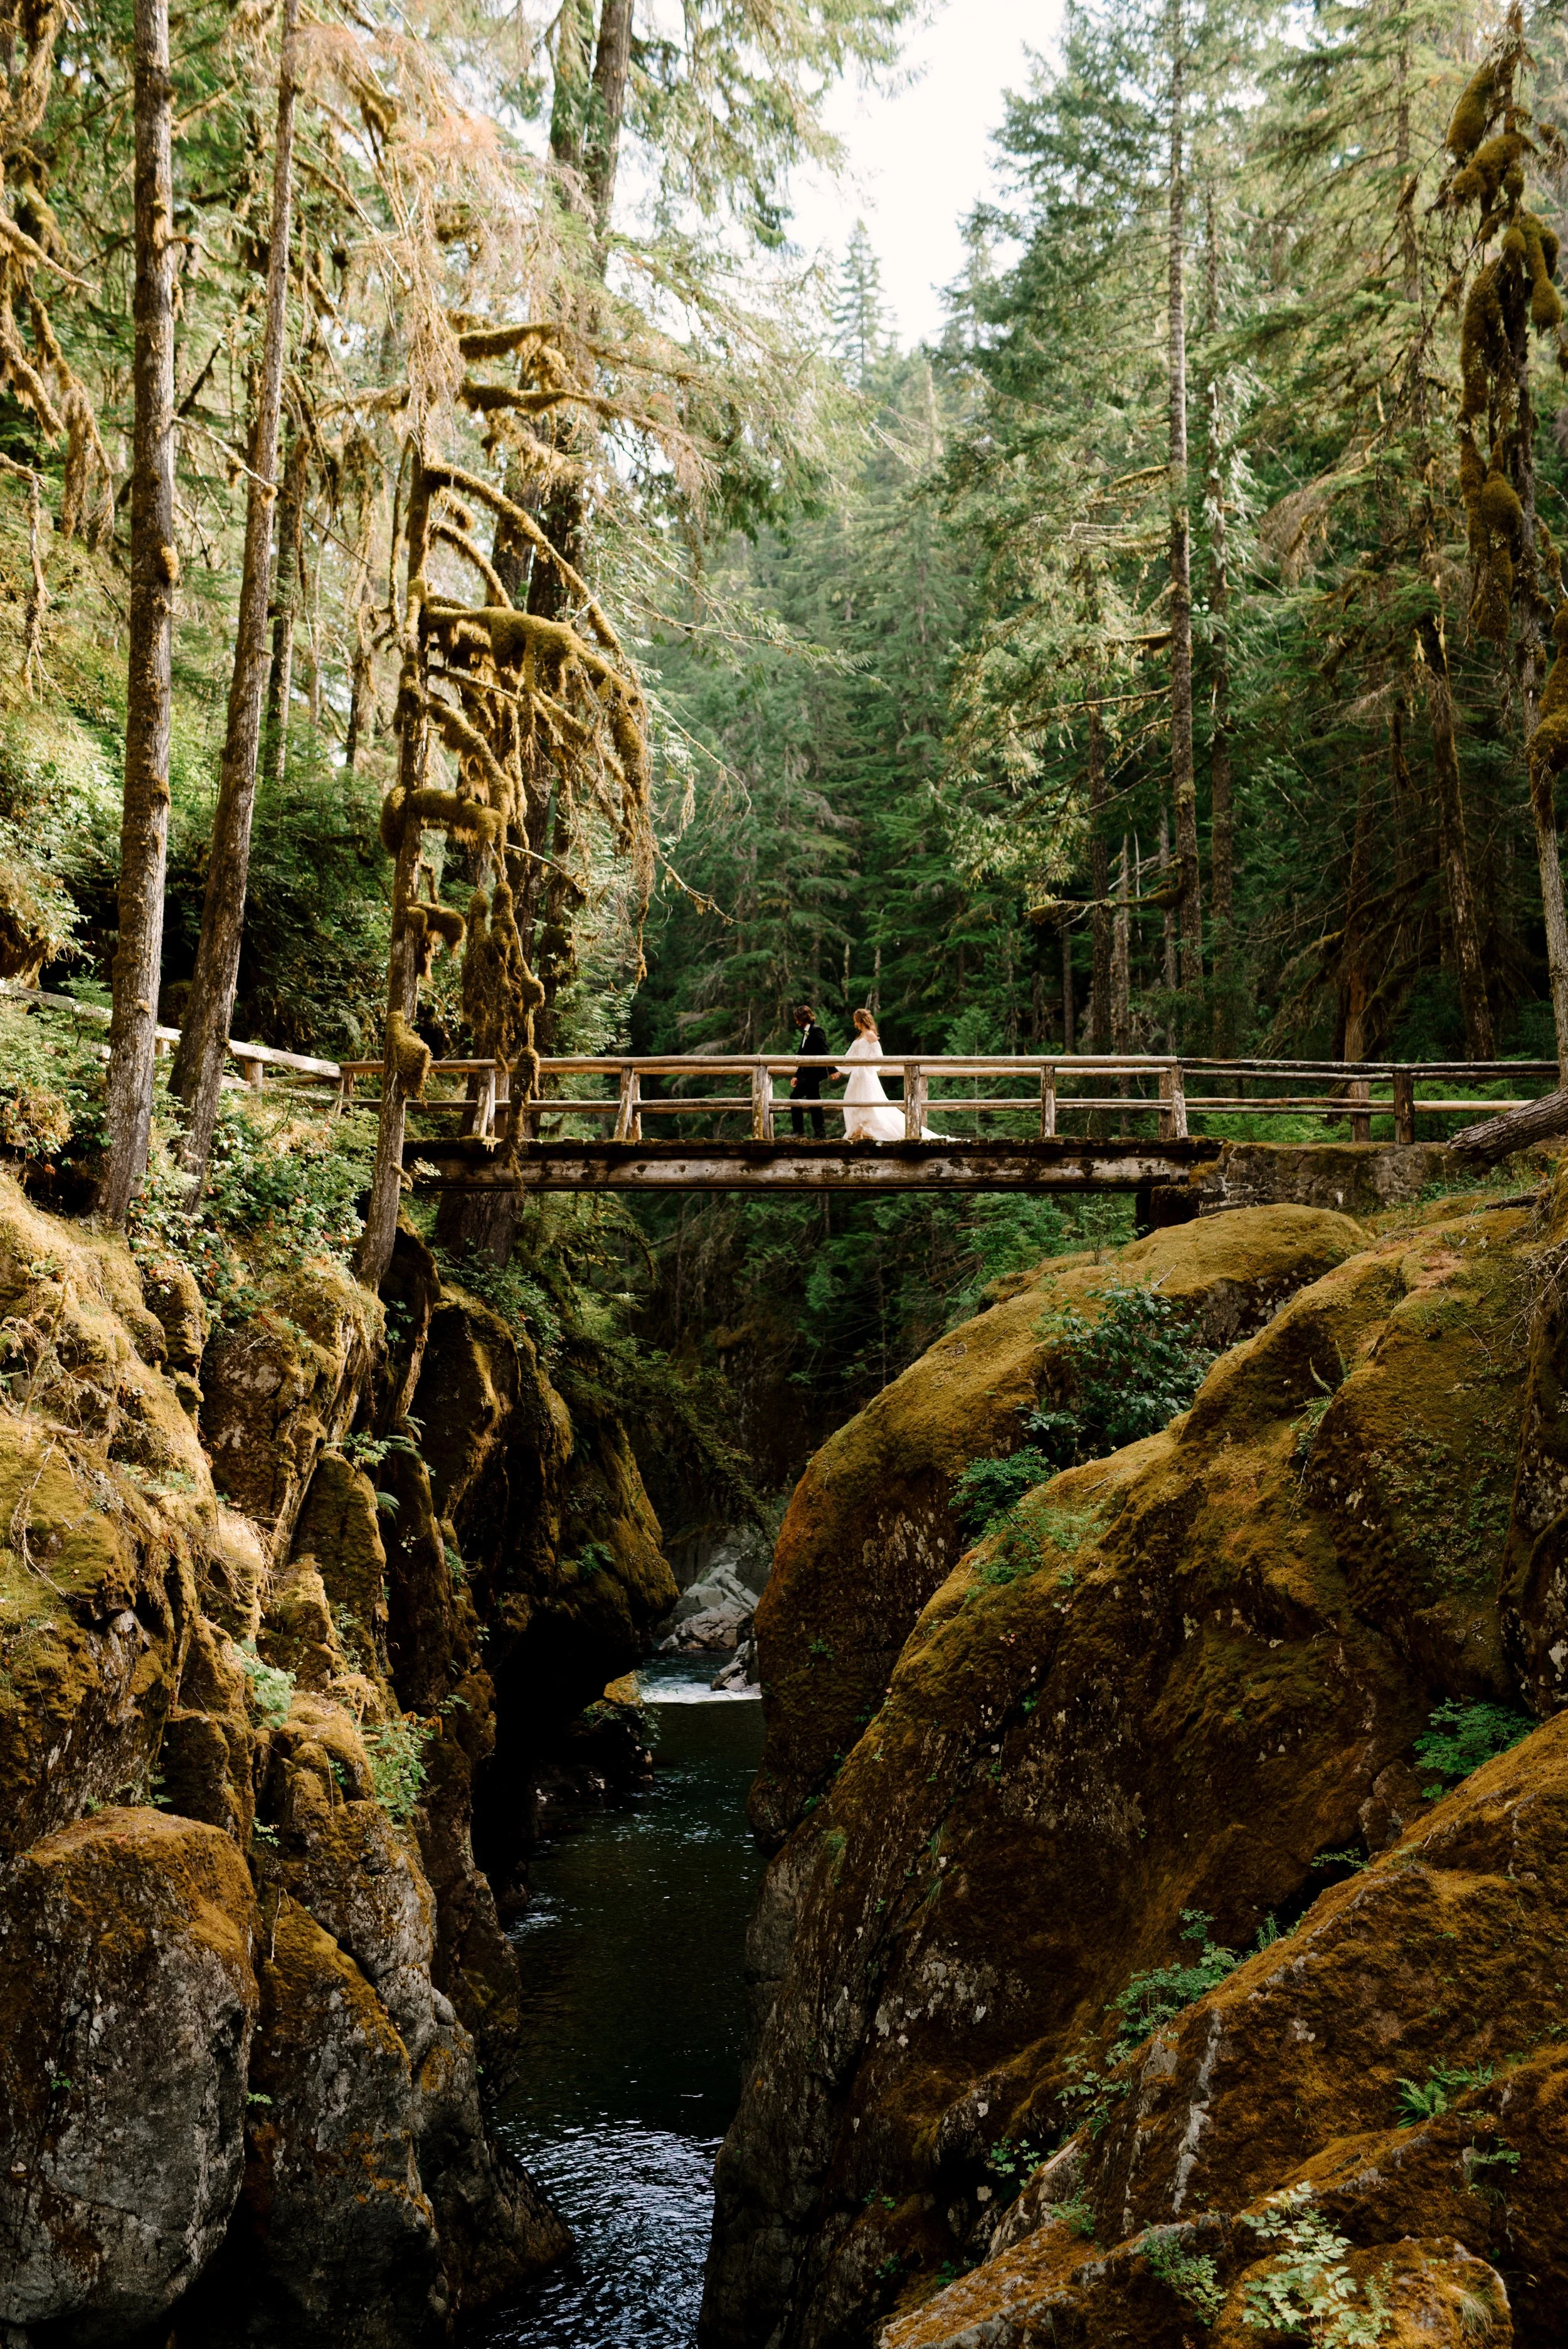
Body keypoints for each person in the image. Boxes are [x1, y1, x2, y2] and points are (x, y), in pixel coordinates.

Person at [840, 1008, 949, 1141]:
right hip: (857, 1074)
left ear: (861, 1021)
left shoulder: (870, 1035)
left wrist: (867, 1065)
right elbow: (850, 1055)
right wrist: (839, 1069)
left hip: (865, 1074)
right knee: (852, 1098)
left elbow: (878, 1056)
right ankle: (859, 1130)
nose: (855, 1024)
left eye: (856, 1021)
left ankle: (870, 1130)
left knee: (868, 1101)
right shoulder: (860, 1037)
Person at [788, 1003, 830, 1138]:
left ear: (803, 1018)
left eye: (797, 1019)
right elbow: (802, 1057)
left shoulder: (816, 1031)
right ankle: (820, 1132)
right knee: (814, 1102)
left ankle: (799, 1132)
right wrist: (797, 1075)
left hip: (813, 1074)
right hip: (806, 1075)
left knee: (795, 1098)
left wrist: (832, 1069)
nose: (796, 1022)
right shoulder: (807, 1033)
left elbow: (825, 1051)